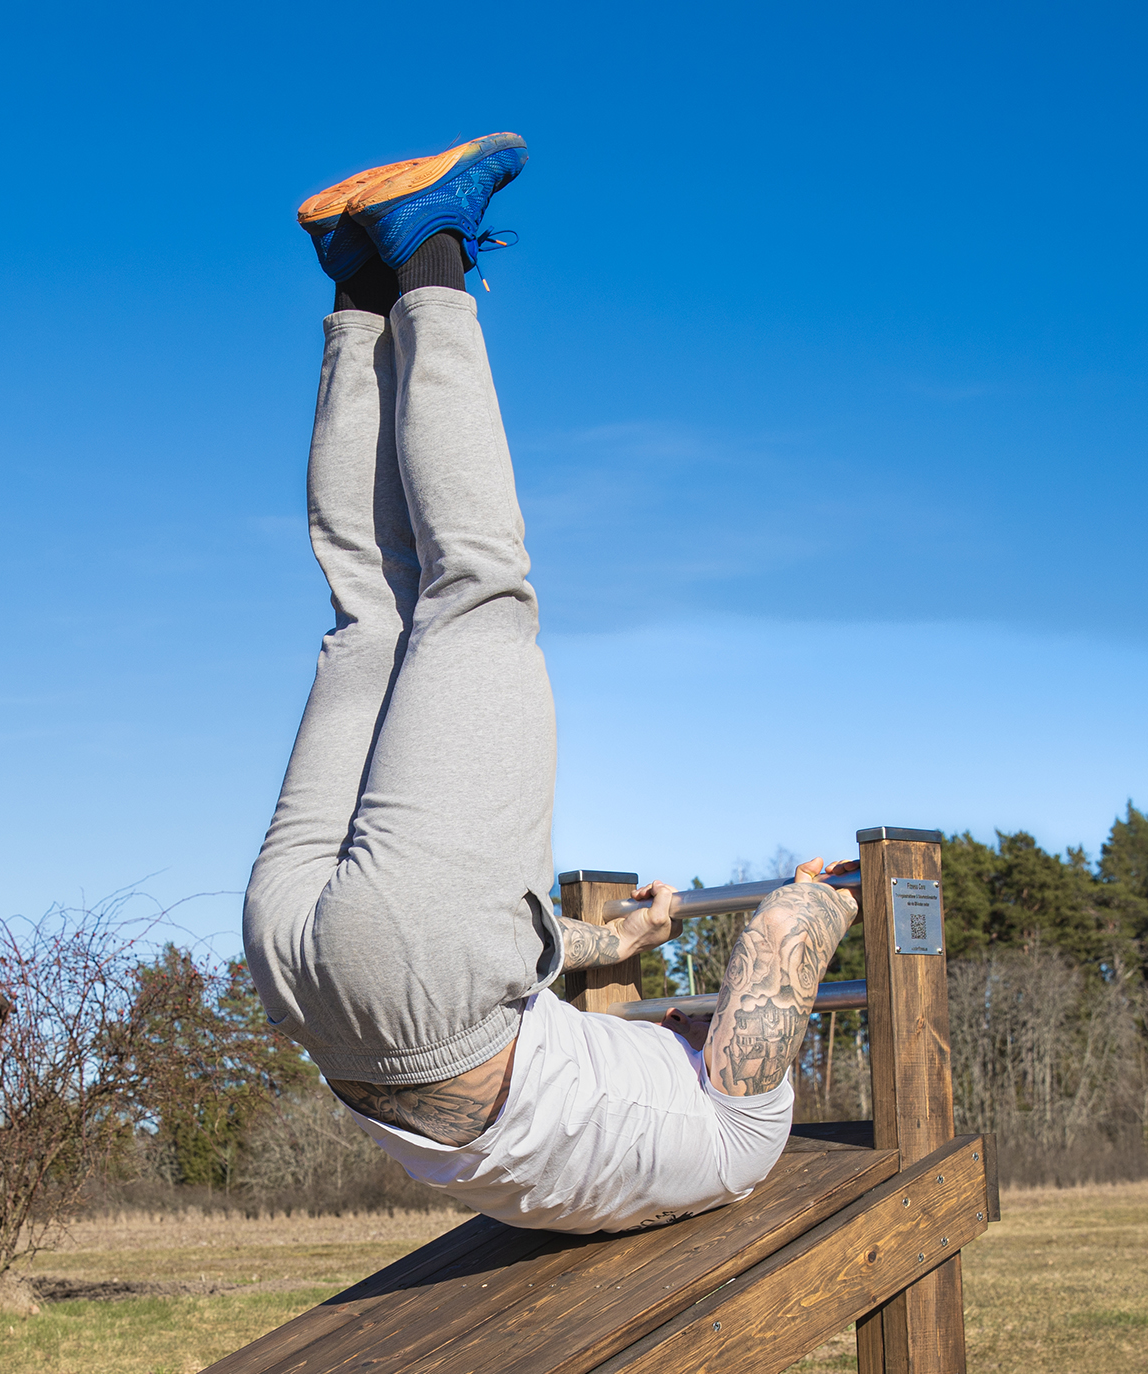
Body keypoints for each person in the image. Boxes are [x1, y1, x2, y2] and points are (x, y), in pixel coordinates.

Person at [242, 134, 856, 1236]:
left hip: (424, 988)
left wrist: (820, 896)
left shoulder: (739, 1144)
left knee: (477, 586)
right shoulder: (597, 1162)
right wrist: (616, 946)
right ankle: (359, 285)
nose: (691, 1035)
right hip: (308, 981)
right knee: (368, 619)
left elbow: (773, 967)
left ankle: (431, 247)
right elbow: (504, 964)